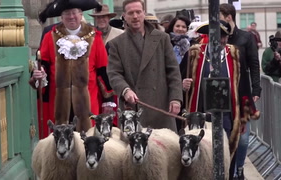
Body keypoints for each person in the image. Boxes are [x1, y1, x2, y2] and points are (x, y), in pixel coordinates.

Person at [30, 0, 115, 138]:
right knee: (61, 143)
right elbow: (42, 65)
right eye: (67, 14)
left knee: (86, 142)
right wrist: (38, 75)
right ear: (61, 17)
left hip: (87, 102)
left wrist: (108, 100)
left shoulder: (95, 37)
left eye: (74, 13)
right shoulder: (49, 37)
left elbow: (103, 71)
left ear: (81, 14)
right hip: (58, 102)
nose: (71, 17)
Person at [107, 0, 183, 132]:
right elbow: (114, 73)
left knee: (165, 149)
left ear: (144, 13)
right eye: (131, 13)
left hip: (161, 107)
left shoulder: (162, 38)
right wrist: (125, 90)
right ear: (124, 16)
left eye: (138, 12)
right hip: (133, 110)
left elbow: (173, 71)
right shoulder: (116, 44)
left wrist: (176, 98)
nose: (135, 16)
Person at [182, 20, 241, 154]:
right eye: (215, 35)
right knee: (199, 151)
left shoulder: (233, 55)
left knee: (224, 151)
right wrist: (183, 84)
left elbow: (240, 86)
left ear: (226, 37)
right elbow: (178, 79)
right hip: (200, 112)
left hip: (225, 114)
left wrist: (242, 114)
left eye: (222, 35)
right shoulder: (194, 53)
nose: (218, 39)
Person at [220, 3, 261, 179]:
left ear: (229, 17)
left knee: (243, 138)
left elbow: (254, 64)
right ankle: (228, 169)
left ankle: (239, 167)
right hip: (222, 94)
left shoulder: (246, 37)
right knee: (226, 134)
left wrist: (256, 88)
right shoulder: (217, 37)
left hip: (242, 92)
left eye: (219, 17)